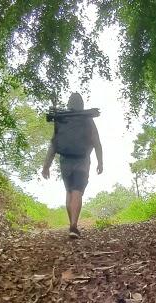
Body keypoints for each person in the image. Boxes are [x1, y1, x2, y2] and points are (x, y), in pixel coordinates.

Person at [41, 93, 103, 239]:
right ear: (81, 104)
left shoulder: (61, 119)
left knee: (69, 192)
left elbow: (54, 144)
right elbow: (96, 142)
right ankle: (74, 225)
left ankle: (72, 225)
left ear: (69, 104)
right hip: (82, 160)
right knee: (77, 191)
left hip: (65, 161)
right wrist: (100, 162)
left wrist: (46, 166)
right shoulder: (87, 119)